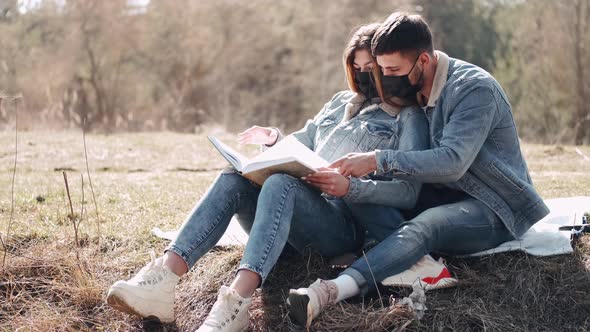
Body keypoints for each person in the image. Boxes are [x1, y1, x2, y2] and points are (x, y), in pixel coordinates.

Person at [105, 23, 429, 332]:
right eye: (355, 68)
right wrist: (274, 139)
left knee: (281, 184)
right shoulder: (339, 103)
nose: (363, 76)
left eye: (369, 68)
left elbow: (407, 193)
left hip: (338, 229)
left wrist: (352, 187)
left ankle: (235, 303)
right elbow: (303, 143)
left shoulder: (408, 118)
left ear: (388, 66)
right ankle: (163, 280)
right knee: (235, 175)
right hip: (287, 221)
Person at [287, 12, 550, 329]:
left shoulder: (474, 90)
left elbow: (453, 162)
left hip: (492, 206)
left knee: (426, 225)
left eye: (393, 70)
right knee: (364, 185)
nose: (385, 78)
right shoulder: (413, 89)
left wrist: (377, 159)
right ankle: (411, 261)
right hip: (439, 194)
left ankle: (329, 292)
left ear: (423, 61)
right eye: (381, 69)